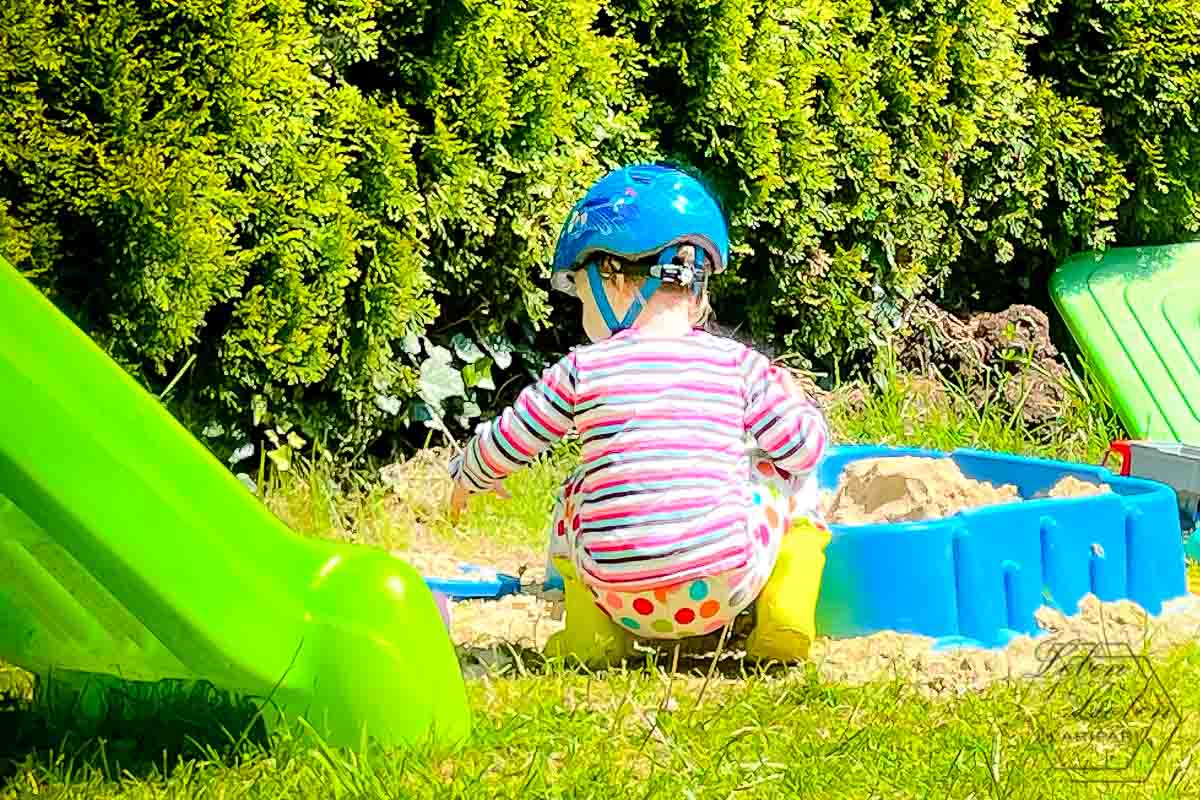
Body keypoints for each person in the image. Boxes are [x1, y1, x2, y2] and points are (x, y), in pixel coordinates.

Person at [448, 163, 832, 666]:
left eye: (581, 293)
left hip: (620, 595)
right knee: (787, 476)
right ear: (696, 289)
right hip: (726, 584)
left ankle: (593, 633)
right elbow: (804, 449)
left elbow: (512, 436)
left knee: (577, 490)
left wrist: (469, 475)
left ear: (612, 280)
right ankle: (784, 613)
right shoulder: (739, 366)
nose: (581, 309)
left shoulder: (582, 368)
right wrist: (798, 413)